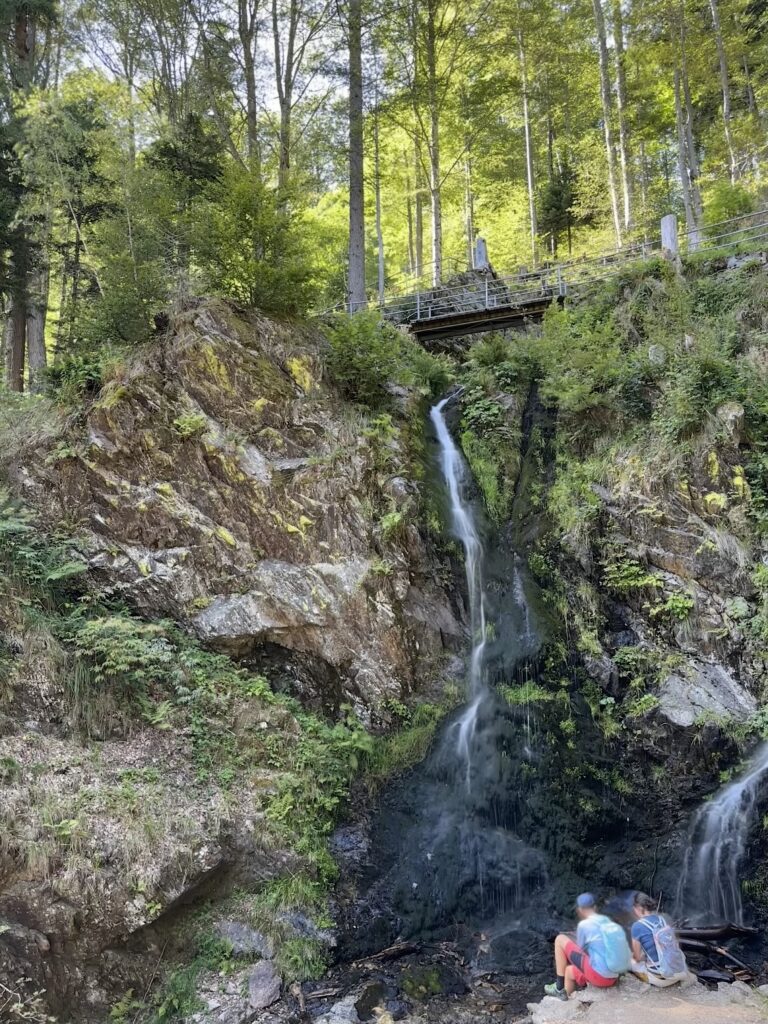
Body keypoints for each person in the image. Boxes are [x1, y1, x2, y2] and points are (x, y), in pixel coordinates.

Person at [544, 893, 630, 1000]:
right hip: (613, 977)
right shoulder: (609, 922)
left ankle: (559, 987)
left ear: (580, 909)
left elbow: (581, 949)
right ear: (595, 907)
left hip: (598, 976)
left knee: (559, 939)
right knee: (569, 971)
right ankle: (567, 998)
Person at [630, 891, 688, 987]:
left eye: (634, 908)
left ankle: (652, 978)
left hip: (662, 979)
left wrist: (638, 957)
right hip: (679, 971)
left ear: (639, 908)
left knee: (630, 961)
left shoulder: (637, 926)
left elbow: (637, 958)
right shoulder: (662, 919)